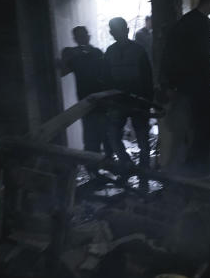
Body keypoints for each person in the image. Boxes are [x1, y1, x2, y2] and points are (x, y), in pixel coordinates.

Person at [161, 0, 210, 173]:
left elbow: (169, 54)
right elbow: (202, 60)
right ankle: (197, 170)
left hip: (181, 87)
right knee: (205, 128)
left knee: (186, 131)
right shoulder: (203, 23)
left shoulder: (184, 21)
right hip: (196, 88)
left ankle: (184, 171)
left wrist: (169, 84)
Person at [104, 17, 154, 170]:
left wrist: (148, 102)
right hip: (118, 101)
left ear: (127, 30)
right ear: (111, 33)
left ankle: (144, 172)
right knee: (112, 135)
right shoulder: (110, 52)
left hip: (138, 100)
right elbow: (106, 78)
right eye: (114, 31)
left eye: (120, 30)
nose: (117, 33)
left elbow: (147, 77)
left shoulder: (138, 51)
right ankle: (128, 165)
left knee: (142, 138)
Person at [60, 26, 112, 158]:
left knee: (104, 135)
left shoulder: (97, 53)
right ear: (76, 39)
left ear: (88, 36)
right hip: (86, 101)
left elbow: (107, 75)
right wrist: (65, 58)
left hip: (101, 101)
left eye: (84, 35)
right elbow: (63, 71)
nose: (83, 38)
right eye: (79, 36)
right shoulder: (74, 55)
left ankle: (108, 165)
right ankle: (94, 169)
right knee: (91, 137)